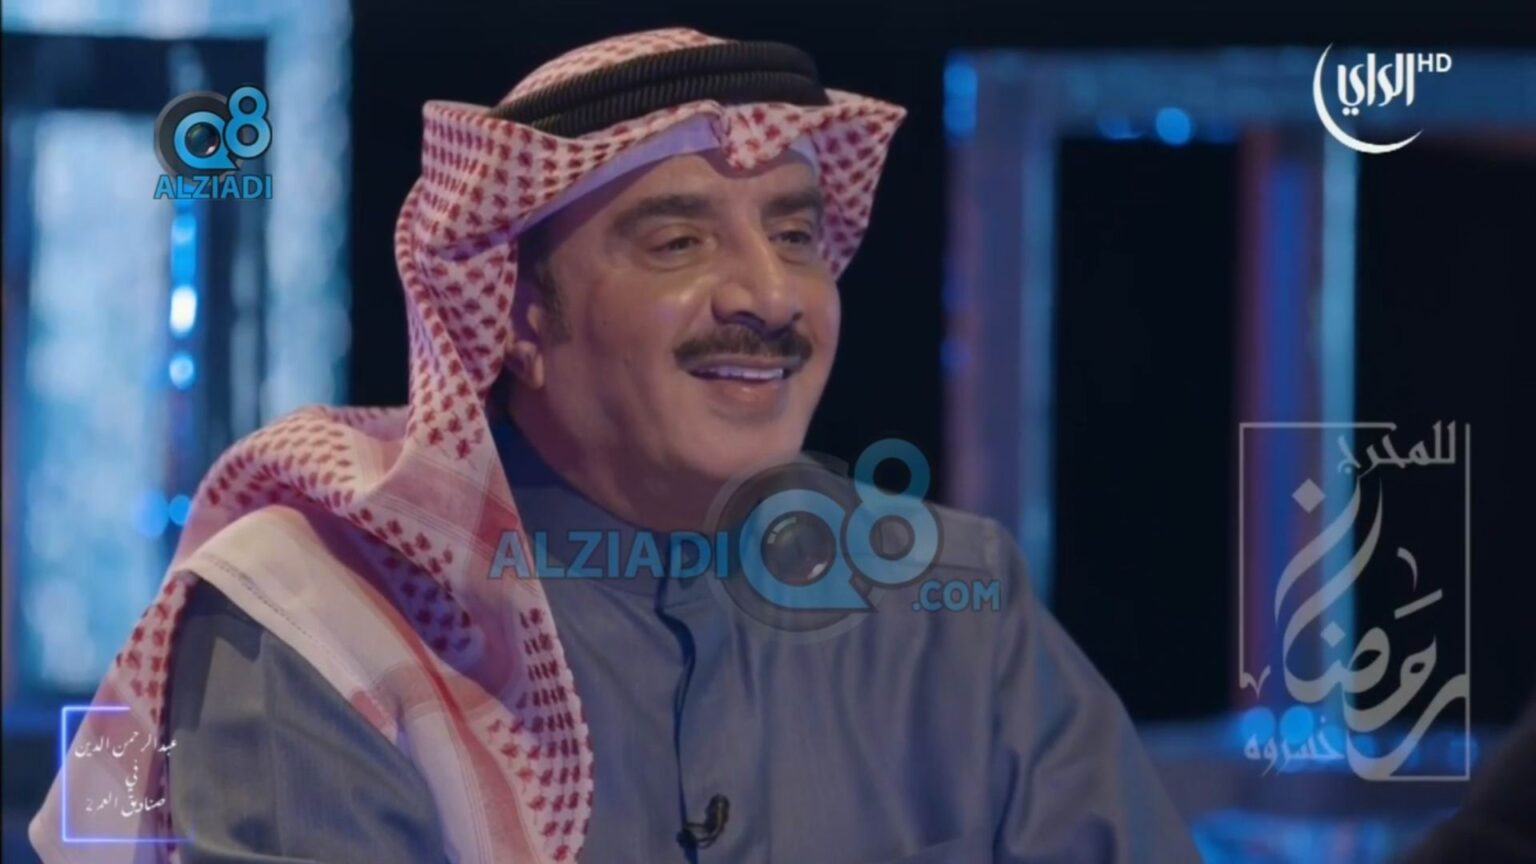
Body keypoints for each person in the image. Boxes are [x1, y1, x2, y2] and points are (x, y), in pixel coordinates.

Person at [30, 28, 1198, 864]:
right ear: (520, 315)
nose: (768, 295)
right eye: (677, 242)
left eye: (796, 236)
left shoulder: (956, 607)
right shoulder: (315, 617)